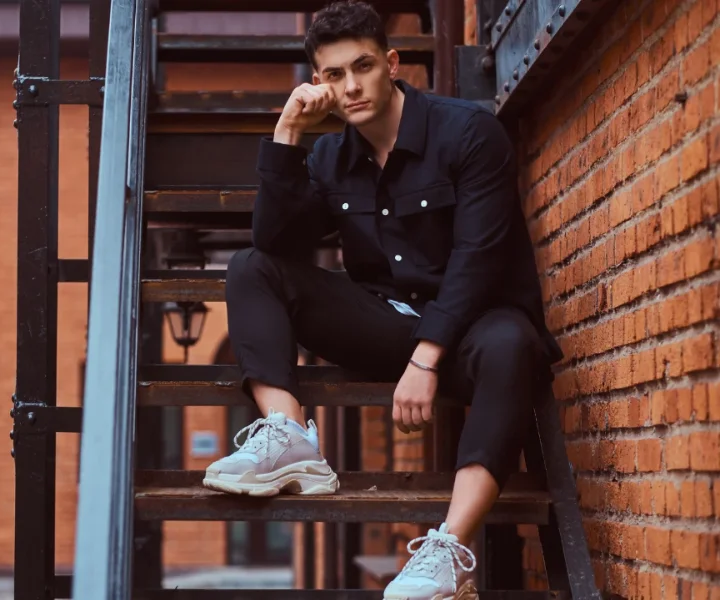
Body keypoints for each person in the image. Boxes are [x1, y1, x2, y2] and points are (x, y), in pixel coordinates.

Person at [201, 1, 564, 598]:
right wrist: (287, 133)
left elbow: (479, 261)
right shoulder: (329, 157)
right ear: (318, 83)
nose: (351, 85)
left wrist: (426, 360)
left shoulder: (468, 132)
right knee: (251, 267)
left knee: (512, 341)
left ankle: (448, 549)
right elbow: (274, 243)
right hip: (387, 322)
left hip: (476, 330)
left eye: (362, 67)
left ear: (391, 64)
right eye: (333, 75)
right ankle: (287, 433)